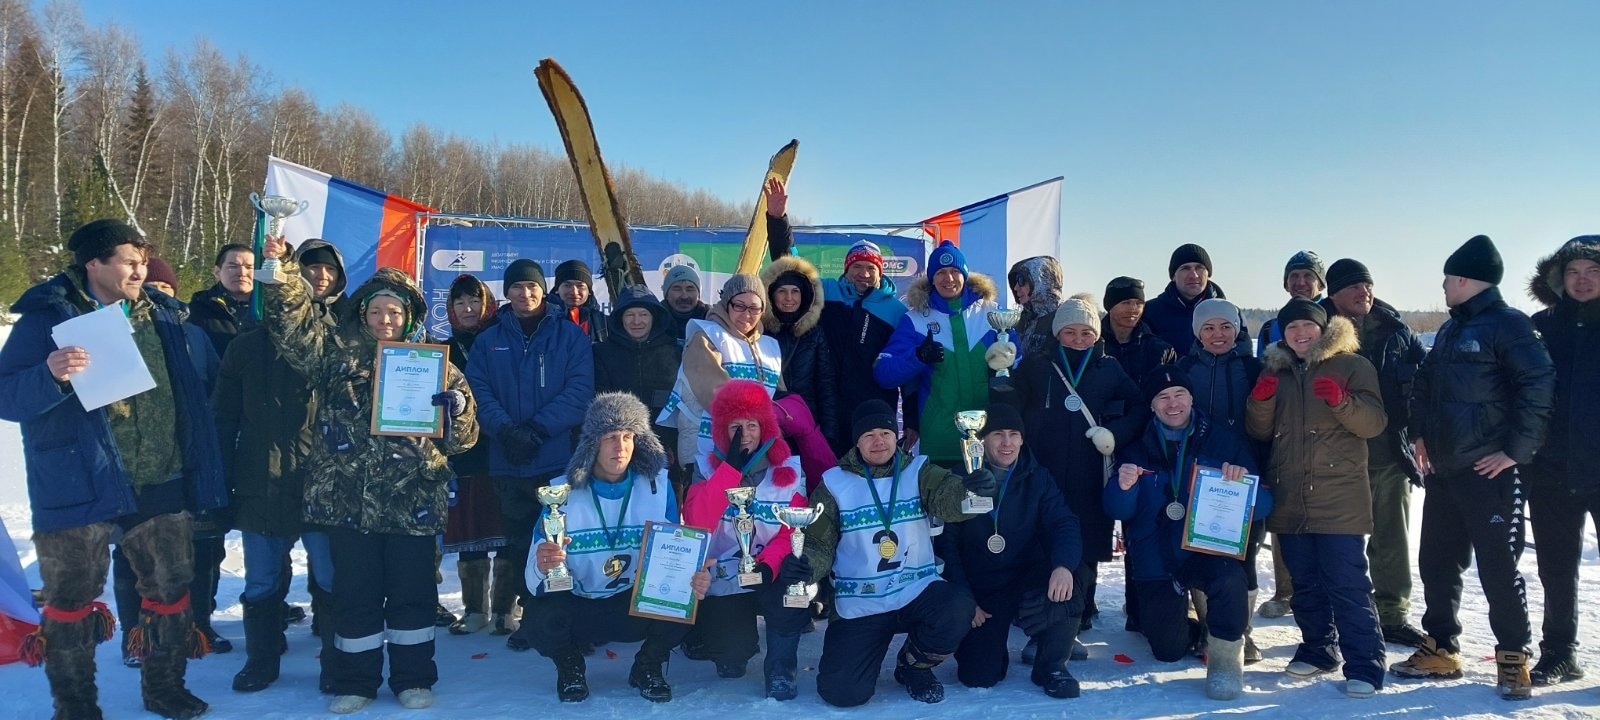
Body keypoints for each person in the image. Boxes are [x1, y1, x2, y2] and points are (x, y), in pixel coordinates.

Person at [0, 219, 226, 720]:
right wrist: (50, 375)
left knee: (170, 588)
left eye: (143, 261)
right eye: (129, 261)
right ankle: (76, 705)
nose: (141, 270)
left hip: (160, 474)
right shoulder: (44, 319)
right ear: (94, 264)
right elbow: (5, 395)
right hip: (78, 478)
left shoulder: (164, 315)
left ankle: (165, 689)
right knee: (70, 599)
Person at [256, 235, 479, 713]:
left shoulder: (436, 365)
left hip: (413, 503)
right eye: (376, 310)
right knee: (354, 598)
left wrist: (458, 410)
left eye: (394, 312)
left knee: (413, 597)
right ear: (362, 313)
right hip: (348, 503)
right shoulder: (335, 358)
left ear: (409, 317)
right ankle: (355, 682)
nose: (385, 319)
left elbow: (463, 441)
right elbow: (292, 330)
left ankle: (413, 679)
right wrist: (283, 274)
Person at [1392, 235, 1555, 700]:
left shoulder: (1510, 325)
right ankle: (1441, 647)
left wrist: (1515, 451)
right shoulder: (1450, 330)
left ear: (1463, 279)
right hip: (1445, 470)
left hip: (1492, 472)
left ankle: (1513, 658)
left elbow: (1539, 386)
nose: (1443, 287)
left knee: (1498, 566)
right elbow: (1424, 385)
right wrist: (1418, 434)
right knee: (1436, 562)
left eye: (1447, 279)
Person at [519, 392, 713, 703]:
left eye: (627, 436)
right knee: (538, 616)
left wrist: (691, 574)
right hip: (577, 603)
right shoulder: (561, 494)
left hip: (630, 605)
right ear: (592, 444)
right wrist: (542, 565)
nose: (620, 447)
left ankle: (648, 665)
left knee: (682, 595)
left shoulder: (657, 487)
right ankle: (570, 666)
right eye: (610, 437)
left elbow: (671, 557)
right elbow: (532, 580)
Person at [801, 400, 998, 706]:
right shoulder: (834, 484)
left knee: (957, 607)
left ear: (896, 436)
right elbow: (818, 544)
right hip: (861, 600)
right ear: (857, 442)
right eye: (869, 435)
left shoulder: (918, 471)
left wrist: (972, 489)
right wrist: (806, 567)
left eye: (885, 433)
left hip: (915, 589)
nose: (878, 441)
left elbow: (948, 498)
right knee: (842, 693)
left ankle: (913, 665)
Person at [217, 238, 349, 693]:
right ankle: (261, 659)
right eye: (309, 268)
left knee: (329, 576)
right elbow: (223, 417)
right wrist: (222, 475)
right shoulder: (246, 346)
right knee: (262, 580)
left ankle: (335, 660)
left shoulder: (341, 340)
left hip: (321, 479)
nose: (320, 275)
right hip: (263, 478)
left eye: (328, 269)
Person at [1247, 298, 1388, 698]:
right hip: (1290, 493)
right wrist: (1261, 401)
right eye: (1292, 328)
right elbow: (1259, 432)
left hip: (1338, 495)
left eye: (1307, 326)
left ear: (1323, 329)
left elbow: (1374, 423)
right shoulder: (1277, 371)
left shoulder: (1353, 365)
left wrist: (1343, 402)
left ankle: (1365, 665)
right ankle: (1319, 649)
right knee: (1304, 582)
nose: (1300, 333)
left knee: (1347, 583)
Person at [1107, 366, 1270, 700]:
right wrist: (1123, 488)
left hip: (1206, 550)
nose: (1173, 404)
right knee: (1167, 650)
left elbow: (1265, 504)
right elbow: (1117, 510)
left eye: (1179, 394)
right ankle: (1196, 631)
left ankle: (1225, 661)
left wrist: (1242, 485)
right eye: (1163, 397)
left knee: (1230, 580)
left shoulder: (1223, 441)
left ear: (1192, 398)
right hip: (1156, 556)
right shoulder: (1136, 446)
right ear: (1152, 405)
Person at [466, 258, 594, 636]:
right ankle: (531, 620)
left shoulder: (569, 336)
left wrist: (537, 430)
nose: (525, 293)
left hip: (554, 459)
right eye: (517, 287)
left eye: (532, 286)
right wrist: (506, 431)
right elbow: (477, 392)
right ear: (507, 292)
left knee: (560, 542)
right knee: (520, 544)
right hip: (507, 460)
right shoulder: (488, 340)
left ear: (544, 289)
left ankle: (565, 618)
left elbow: (579, 390)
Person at [1009, 293, 1147, 634]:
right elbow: (1011, 406)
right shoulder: (1037, 366)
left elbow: (1139, 408)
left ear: (1096, 335)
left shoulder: (1108, 367)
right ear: (1058, 333)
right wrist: (998, 373)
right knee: (1041, 532)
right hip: (1044, 466)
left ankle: (1083, 605)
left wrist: (1114, 434)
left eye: (1086, 333)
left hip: (1091, 469)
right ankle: (1034, 603)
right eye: (1070, 332)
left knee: (1088, 537)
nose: (1078, 339)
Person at [935, 403, 1086, 699]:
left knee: (1073, 577)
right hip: (981, 588)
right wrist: (964, 599)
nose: (1007, 443)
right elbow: (945, 546)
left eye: (1014, 434)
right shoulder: (957, 480)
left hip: (1024, 577)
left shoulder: (1038, 477)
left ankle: (1052, 666)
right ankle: (990, 650)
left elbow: (1063, 523)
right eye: (998, 434)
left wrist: (1063, 566)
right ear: (981, 441)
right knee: (979, 677)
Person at [1319, 258, 1428, 648]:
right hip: (1334, 454)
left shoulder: (1397, 331)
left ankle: (1392, 614)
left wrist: (1420, 434)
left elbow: (1424, 385)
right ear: (1334, 293)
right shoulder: (1316, 329)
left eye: (1367, 285)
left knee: (1391, 538)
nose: (1363, 292)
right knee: (1335, 541)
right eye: (1353, 286)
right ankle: (1332, 615)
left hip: (1387, 453)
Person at [680, 380, 809, 699]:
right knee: (730, 659)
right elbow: (698, 524)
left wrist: (768, 567)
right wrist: (729, 470)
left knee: (791, 591)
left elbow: (790, 533)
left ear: (765, 428)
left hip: (768, 572)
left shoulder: (789, 471)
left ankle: (781, 669)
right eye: (735, 426)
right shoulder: (705, 469)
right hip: (723, 577)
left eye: (752, 425)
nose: (746, 434)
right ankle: (724, 641)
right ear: (722, 430)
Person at [765, 181, 913, 457]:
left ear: (880, 272)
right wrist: (777, 219)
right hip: (828, 410)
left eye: (870, 268)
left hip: (873, 411)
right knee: (827, 473)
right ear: (847, 268)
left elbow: (906, 367)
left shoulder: (896, 311)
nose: (863, 274)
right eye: (857, 266)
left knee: (871, 473)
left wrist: (912, 421)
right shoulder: (825, 292)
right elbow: (791, 265)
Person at [1524, 235, 1600, 686]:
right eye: (1573, 272)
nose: (1582, 280)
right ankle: (1559, 653)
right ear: (1558, 279)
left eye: (1592, 271)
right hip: (1552, 468)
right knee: (1555, 567)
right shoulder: (1542, 327)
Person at [1175, 297, 1269, 660]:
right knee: (1202, 548)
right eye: (1209, 328)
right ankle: (1209, 628)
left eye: (1226, 326)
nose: (1218, 334)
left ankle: (1241, 633)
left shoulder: (1254, 368)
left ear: (1238, 329)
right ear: (1197, 333)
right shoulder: (1184, 368)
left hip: (1244, 473)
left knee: (1245, 551)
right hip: (1197, 474)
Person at [875, 241, 1017, 469]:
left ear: (965, 275)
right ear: (932, 279)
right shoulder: (915, 319)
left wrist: (1007, 362)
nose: (948, 278)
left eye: (954, 271)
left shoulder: (990, 314)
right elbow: (883, 372)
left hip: (990, 440)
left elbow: (1018, 363)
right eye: (940, 272)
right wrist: (918, 357)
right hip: (939, 441)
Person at [658, 273, 783, 482]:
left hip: (752, 449)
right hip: (707, 446)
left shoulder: (768, 346)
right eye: (739, 306)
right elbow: (715, 391)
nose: (747, 314)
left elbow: (777, 396)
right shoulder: (707, 336)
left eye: (754, 308)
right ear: (726, 304)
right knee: (709, 501)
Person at [440, 274, 509, 636]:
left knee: (507, 532)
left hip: (504, 448)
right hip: (465, 452)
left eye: (474, 301)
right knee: (471, 534)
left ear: (487, 304)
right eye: (460, 302)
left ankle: (505, 609)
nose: (468, 309)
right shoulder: (444, 349)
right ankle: (474, 610)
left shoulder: (503, 341)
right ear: (451, 309)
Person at [761, 251, 843, 470]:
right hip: (770, 425)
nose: (789, 298)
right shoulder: (759, 332)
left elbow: (825, 384)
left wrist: (829, 433)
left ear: (804, 295)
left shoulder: (814, 334)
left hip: (807, 424)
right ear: (770, 295)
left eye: (795, 291)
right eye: (782, 291)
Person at [593, 285, 683, 482]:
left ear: (654, 318)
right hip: (619, 449)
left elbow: (681, 404)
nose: (636, 321)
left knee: (665, 499)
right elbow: (600, 403)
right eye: (630, 315)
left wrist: (668, 443)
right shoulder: (602, 353)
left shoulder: (675, 352)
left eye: (643, 314)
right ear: (620, 318)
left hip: (667, 449)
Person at [1142, 243, 1251, 356]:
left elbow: (1243, 356)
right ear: (1173, 276)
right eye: (1185, 268)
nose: (1193, 275)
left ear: (1208, 275)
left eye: (1199, 268)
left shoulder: (1230, 312)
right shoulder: (1150, 312)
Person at [1101, 276, 1176, 393]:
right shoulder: (1092, 346)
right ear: (1110, 306)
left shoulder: (1161, 350)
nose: (1133, 309)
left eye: (1139, 303)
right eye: (1126, 302)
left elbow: (1170, 391)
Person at [188, 242, 257, 357]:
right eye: (233, 266)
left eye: (249, 267)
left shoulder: (269, 309)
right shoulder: (198, 309)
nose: (242, 273)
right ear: (217, 272)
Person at [1257, 251, 1326, 356]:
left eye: (1308, 275)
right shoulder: (1269, 330)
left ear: (1320, 284)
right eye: (1294, 276)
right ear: (1286, 285)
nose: (1301, 283)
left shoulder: (1337, 323)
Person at [1008, 256, 1067, 362]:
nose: (1016, 288)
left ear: (1042, 282)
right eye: (1014, 282)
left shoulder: (1064, 320)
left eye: (1022, 280)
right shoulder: (1020, 321)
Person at [551, 259, 608, 342]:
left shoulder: (603, 322)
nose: (574, 292)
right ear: (557, 289)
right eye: (567, 285)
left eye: (580, 286)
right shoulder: (544, 319)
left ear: (589, 291)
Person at [660, 264, 709, 341]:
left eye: (690, 289)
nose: (684, 296)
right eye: (677, 289)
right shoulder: (653, 321)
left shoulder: (711, 320)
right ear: (666, 294)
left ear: (698, 294)